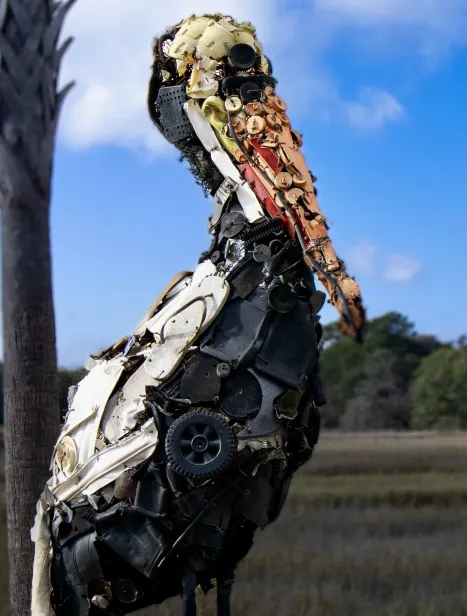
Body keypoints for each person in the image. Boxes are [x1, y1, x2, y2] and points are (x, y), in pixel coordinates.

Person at [30, 13, 366, 616]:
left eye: (257, 78)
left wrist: (328, 267)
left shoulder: (250, 276)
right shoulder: (214, 292)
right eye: (238, 73)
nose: (255, 98)